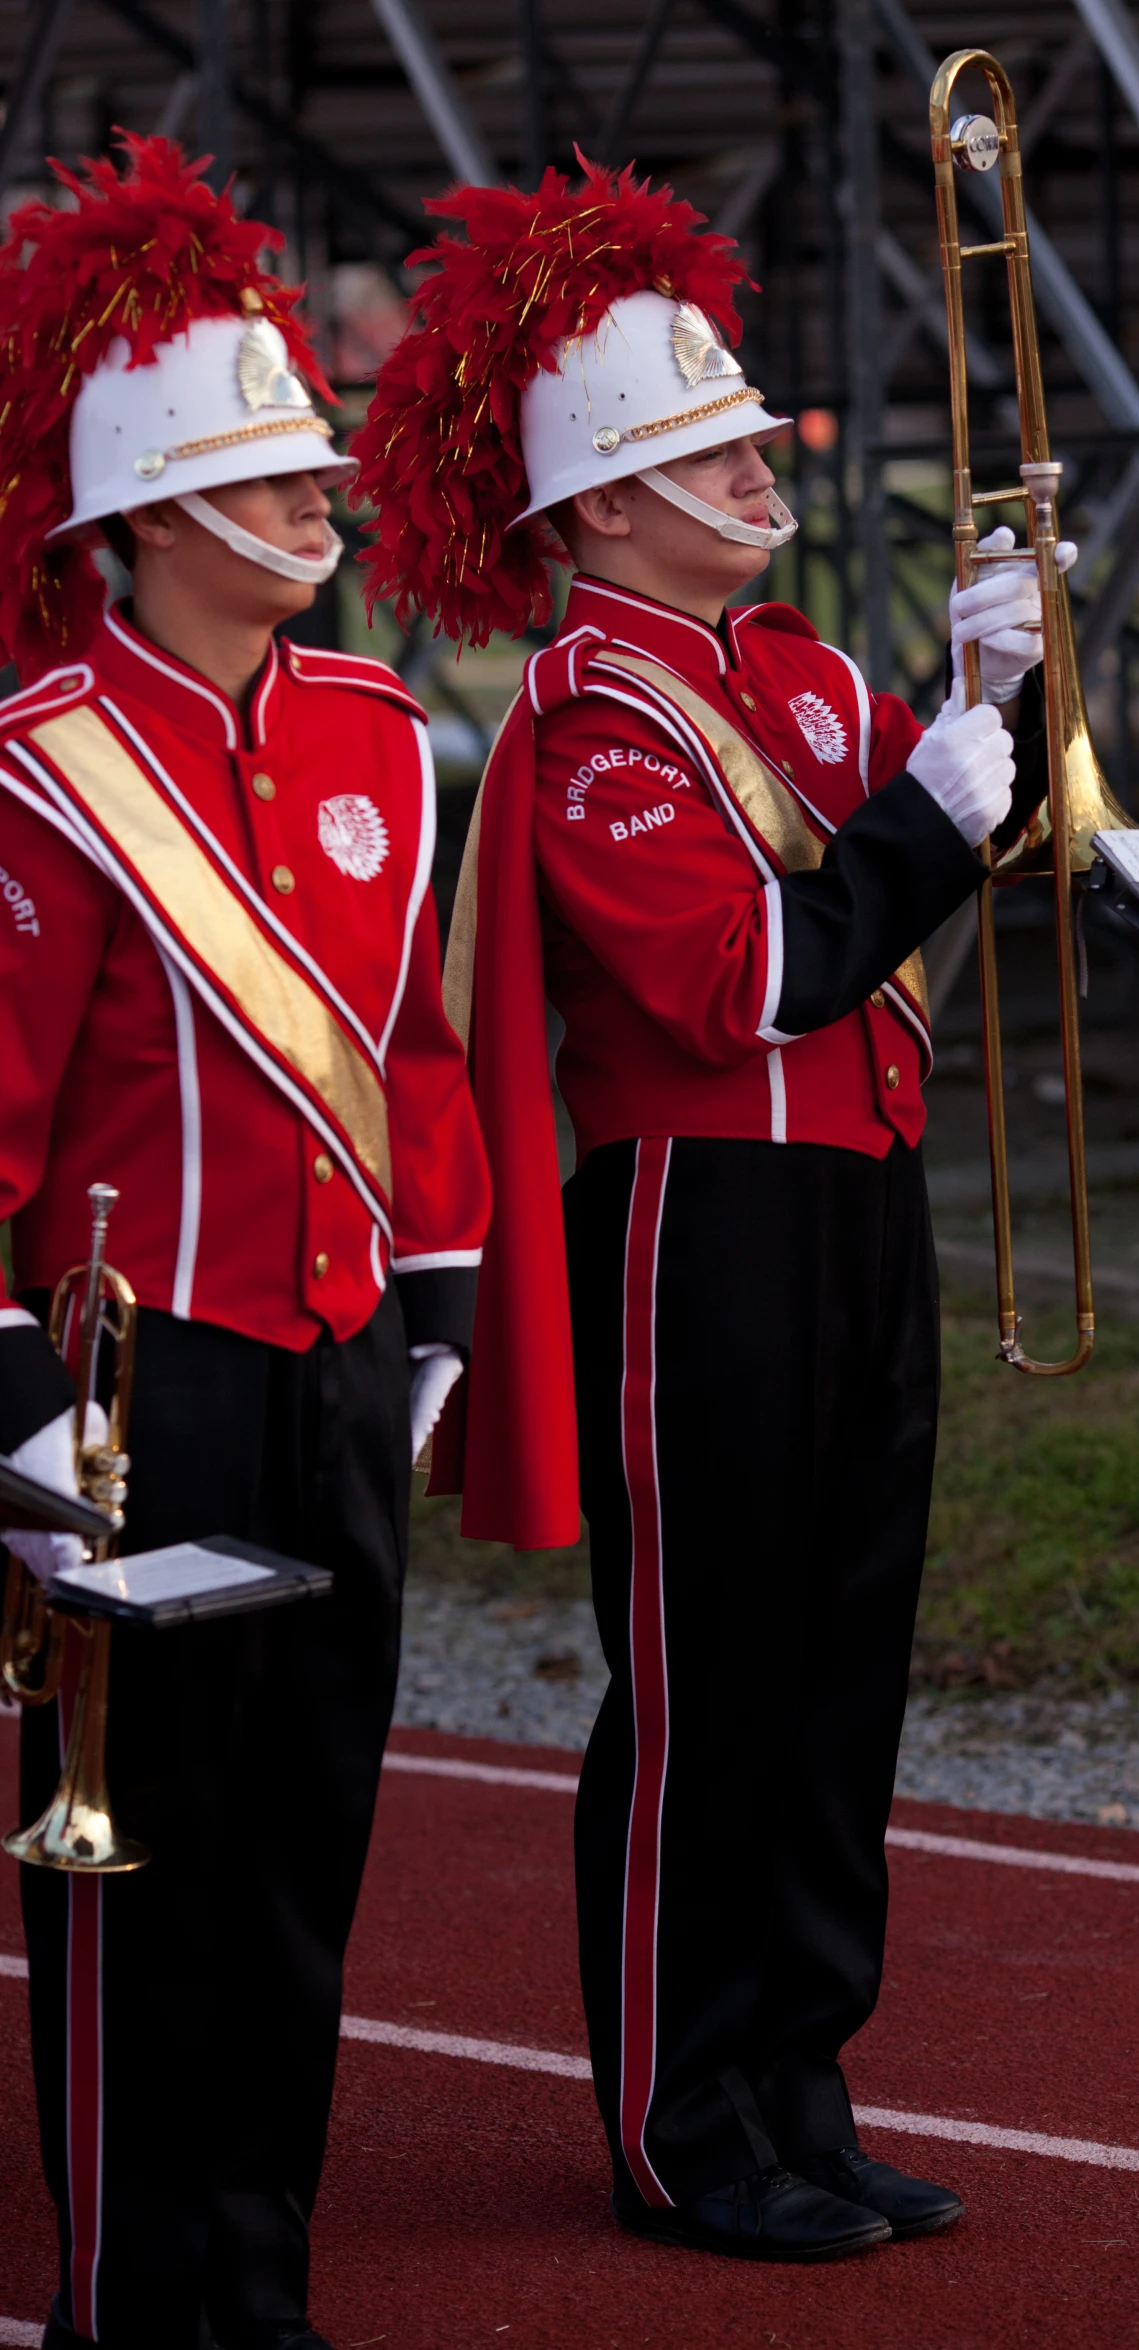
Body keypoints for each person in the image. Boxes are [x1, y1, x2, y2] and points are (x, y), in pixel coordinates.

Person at [353, 157, 1042, 2263]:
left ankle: (803, 2082)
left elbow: (918, 860)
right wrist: (937, 811)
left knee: (843, 1674)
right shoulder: (588, 714)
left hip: (857, 1204)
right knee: (709, 1679)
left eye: (740, 437)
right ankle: (681, 2116)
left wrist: (1013, 692)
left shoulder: (816, 681)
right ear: (593, 518)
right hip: (698, 1222)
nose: (755, 464)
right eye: (697, 452)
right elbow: (749, 973)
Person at [0, 139, 490, 2349]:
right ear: (159, 506)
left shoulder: (381, 731)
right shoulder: (45, 768)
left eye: (317, 482)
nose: (323, 513)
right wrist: (15, 1402)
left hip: (335, 1361)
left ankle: (257, 2278)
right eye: (281, 485)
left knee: (303, 1849)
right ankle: (132, 2293)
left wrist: (445, 1302)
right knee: (138, 1873)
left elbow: (417, 1054)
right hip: (136, 1385)